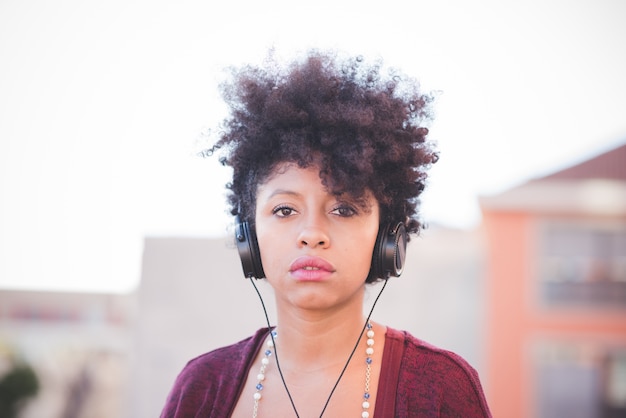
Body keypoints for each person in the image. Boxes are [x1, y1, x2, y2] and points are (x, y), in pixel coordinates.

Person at [160, 49, 492, 417]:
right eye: (284, 210)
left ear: (386, 239)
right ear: (248, 237)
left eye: (344, 209)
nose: (312, 234)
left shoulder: (441, 388)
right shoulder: (202, 387)